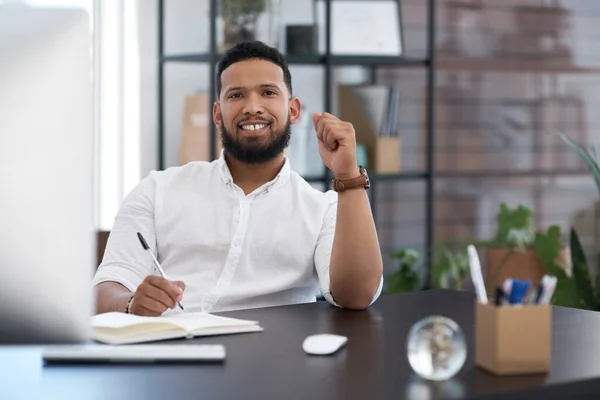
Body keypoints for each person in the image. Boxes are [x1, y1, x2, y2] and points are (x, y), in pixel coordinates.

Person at [93, 41, 383, 316]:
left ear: (293, 111)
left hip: (274, 358)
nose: (252, 107)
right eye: (236, 95)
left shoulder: (323, 209)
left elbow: (356, 295)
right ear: (218, 114)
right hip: (174, 352)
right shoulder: (157, 190)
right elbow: (107, 288)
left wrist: (348, 176)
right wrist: (132, 304)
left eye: (268, 93)